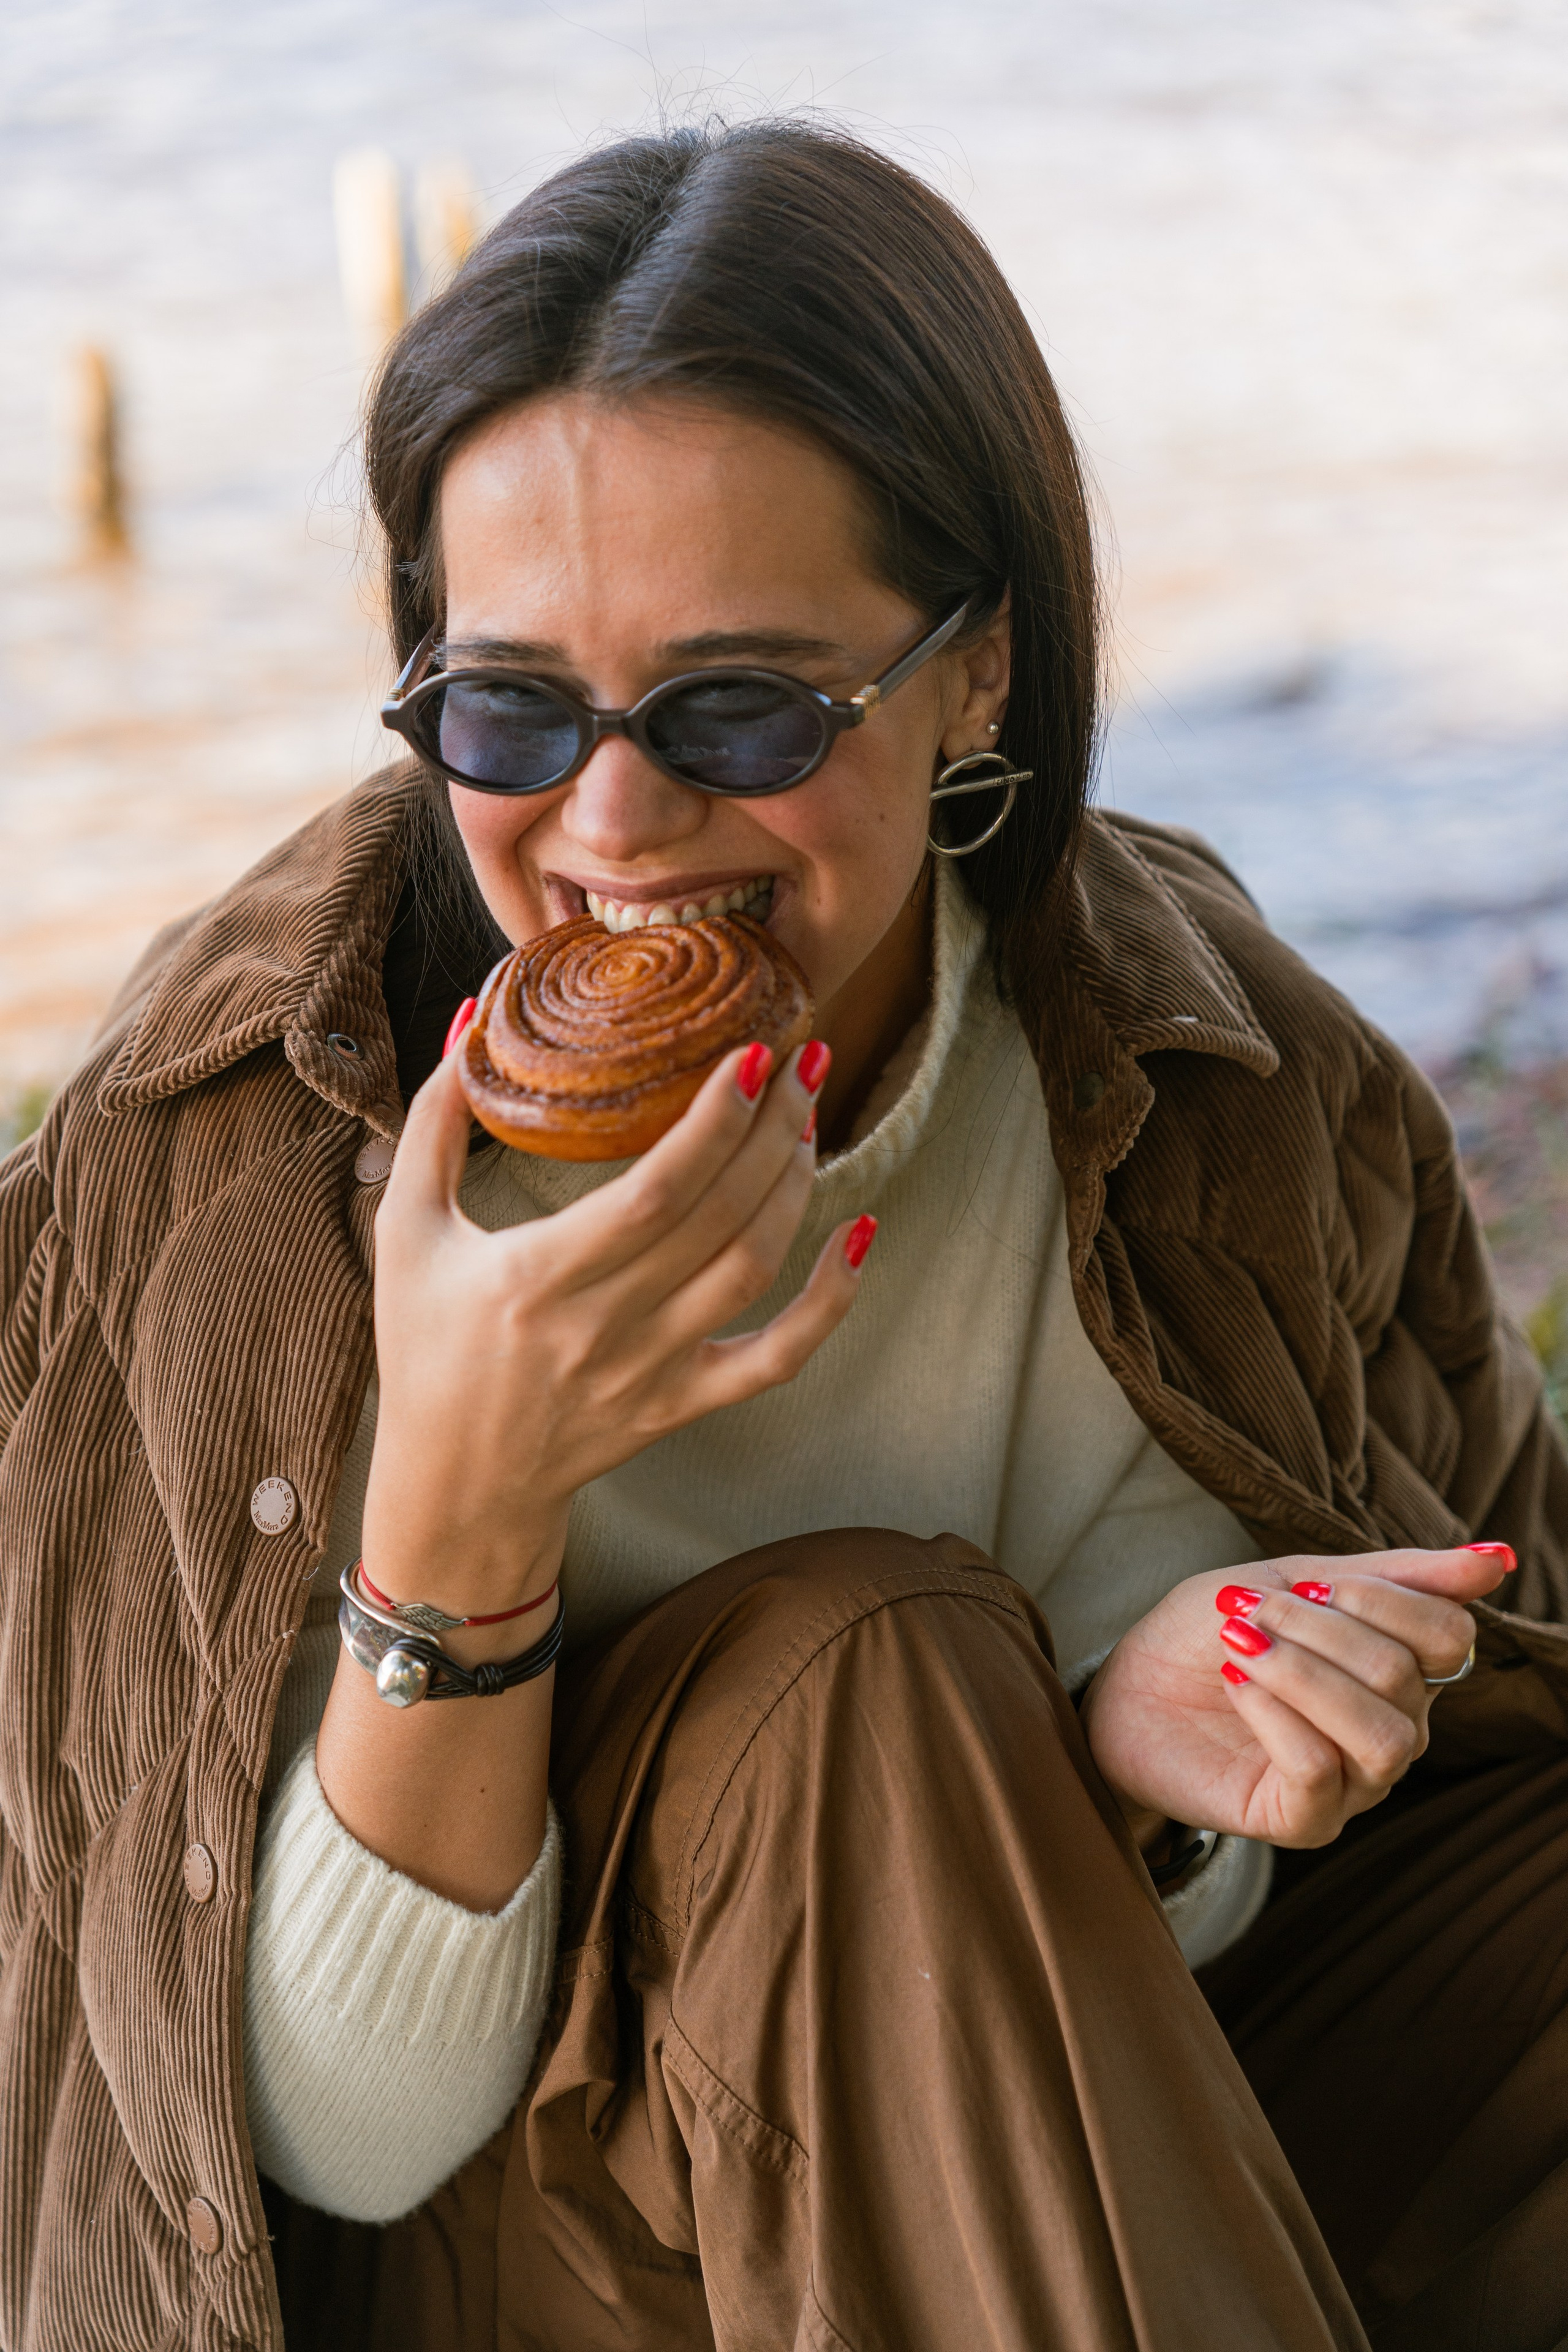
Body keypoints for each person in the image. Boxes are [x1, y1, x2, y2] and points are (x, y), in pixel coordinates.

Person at [2, 118, 1565, 2352]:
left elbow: (1397, 1801)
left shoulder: (1221, 1074)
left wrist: (1155, 1765)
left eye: (742, 706)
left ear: (981, 677)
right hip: (509, 2244)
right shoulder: (236, 1164)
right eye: (511, 707)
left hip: (1061, 2128)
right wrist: (464, 1497)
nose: (611, 824)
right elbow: (326, 2148)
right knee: (871, 1677)